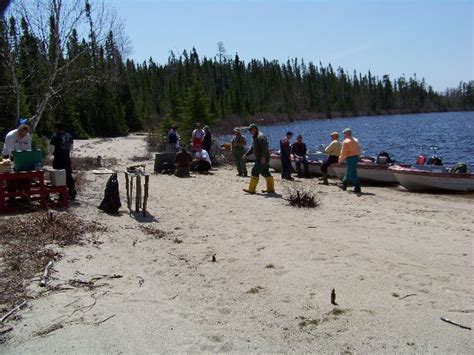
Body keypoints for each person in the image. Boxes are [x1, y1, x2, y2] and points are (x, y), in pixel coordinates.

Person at [243, 123, 274, 194]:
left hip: (263, 158)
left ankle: (251, 189)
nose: (249, 131)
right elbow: (252, 148)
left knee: (254, 171)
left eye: (251, 129)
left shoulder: (260, 137)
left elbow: (265, 148)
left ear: (255, 129)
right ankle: (270, 189)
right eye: (249, 130)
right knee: (265, 172)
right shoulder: (255, 137)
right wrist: (246, 155)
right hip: (260, 158)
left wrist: (263, 158)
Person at [50, 123, 76, 200]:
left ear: (56, 128)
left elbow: (51, 149)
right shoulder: (69, 136)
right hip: (66, 159)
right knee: (68, 176)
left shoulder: (55, 137)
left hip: (58, 159)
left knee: (59, 177)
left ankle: (62, 195)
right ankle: (72, 192)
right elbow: (71, 148)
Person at [338, 128, 361, 193]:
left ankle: (357, 187)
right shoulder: (356, 140)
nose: (344, 134)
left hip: (350, 158)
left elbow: (343, 152)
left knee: (352, 173)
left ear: (347, 133)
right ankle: (344, 185)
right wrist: (358, 156)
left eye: (344, 133)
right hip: (355, 157)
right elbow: (359, 149)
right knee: (348, 172)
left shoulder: (346, 141)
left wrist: (340, 160)